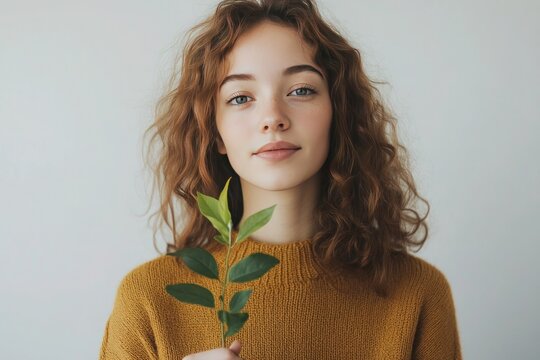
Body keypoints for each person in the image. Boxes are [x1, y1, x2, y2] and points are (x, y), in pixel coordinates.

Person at [99, 0, 463, 359]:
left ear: (340, 113)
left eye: (301, 90)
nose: (273, 117)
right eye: (241, 97)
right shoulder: (149, 301)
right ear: (215, 132)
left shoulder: (416, 294)